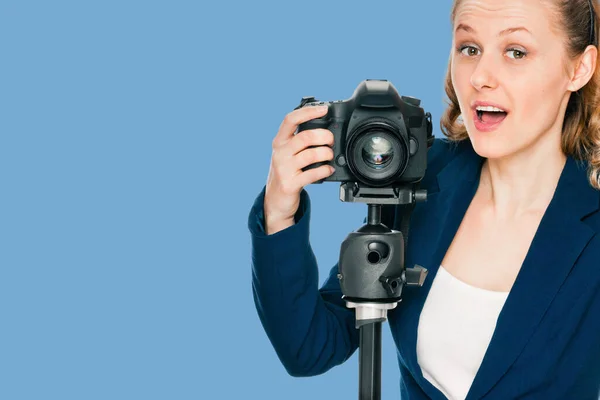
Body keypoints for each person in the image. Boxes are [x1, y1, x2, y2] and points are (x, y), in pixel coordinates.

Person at [247, 0, 600, 398]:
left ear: (579, 68)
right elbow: (310, 349)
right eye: (469, 48)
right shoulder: (424, 179)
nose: (481, 77)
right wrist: (279, 209)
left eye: (515, 52)